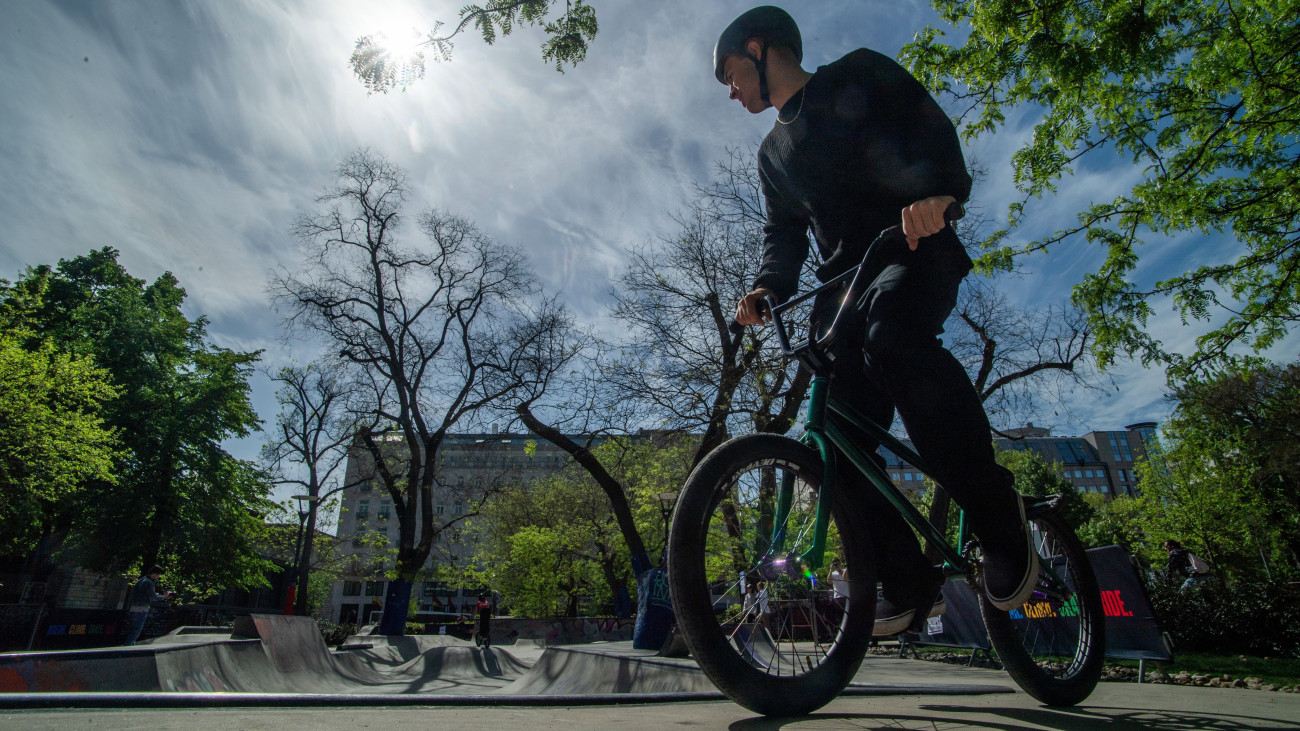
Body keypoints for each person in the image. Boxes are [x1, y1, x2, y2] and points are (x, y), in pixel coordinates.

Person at [716, 6, 1037, 636]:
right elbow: (783, 233)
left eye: (727, 73)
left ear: (757, 48)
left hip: (911, 246)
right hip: (842, 290)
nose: (728, 91)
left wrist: (941, 192)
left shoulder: (857, 74)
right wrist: (766, 286)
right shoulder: (772, 155)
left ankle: (1001, 522)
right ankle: (908, 579)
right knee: (833, 434)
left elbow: (927, 123)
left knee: (895, 341)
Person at [123, 565, 167, 646]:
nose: (158, 577)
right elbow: (154, 597)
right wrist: (164, 596)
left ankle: (130, 644)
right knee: (137, 629)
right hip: (142, 608)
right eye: (158, 575)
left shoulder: (140, 580)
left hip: (133, 607)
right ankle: (128, 645)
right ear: (154, 574)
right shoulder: (149, 583)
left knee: (132, 629)